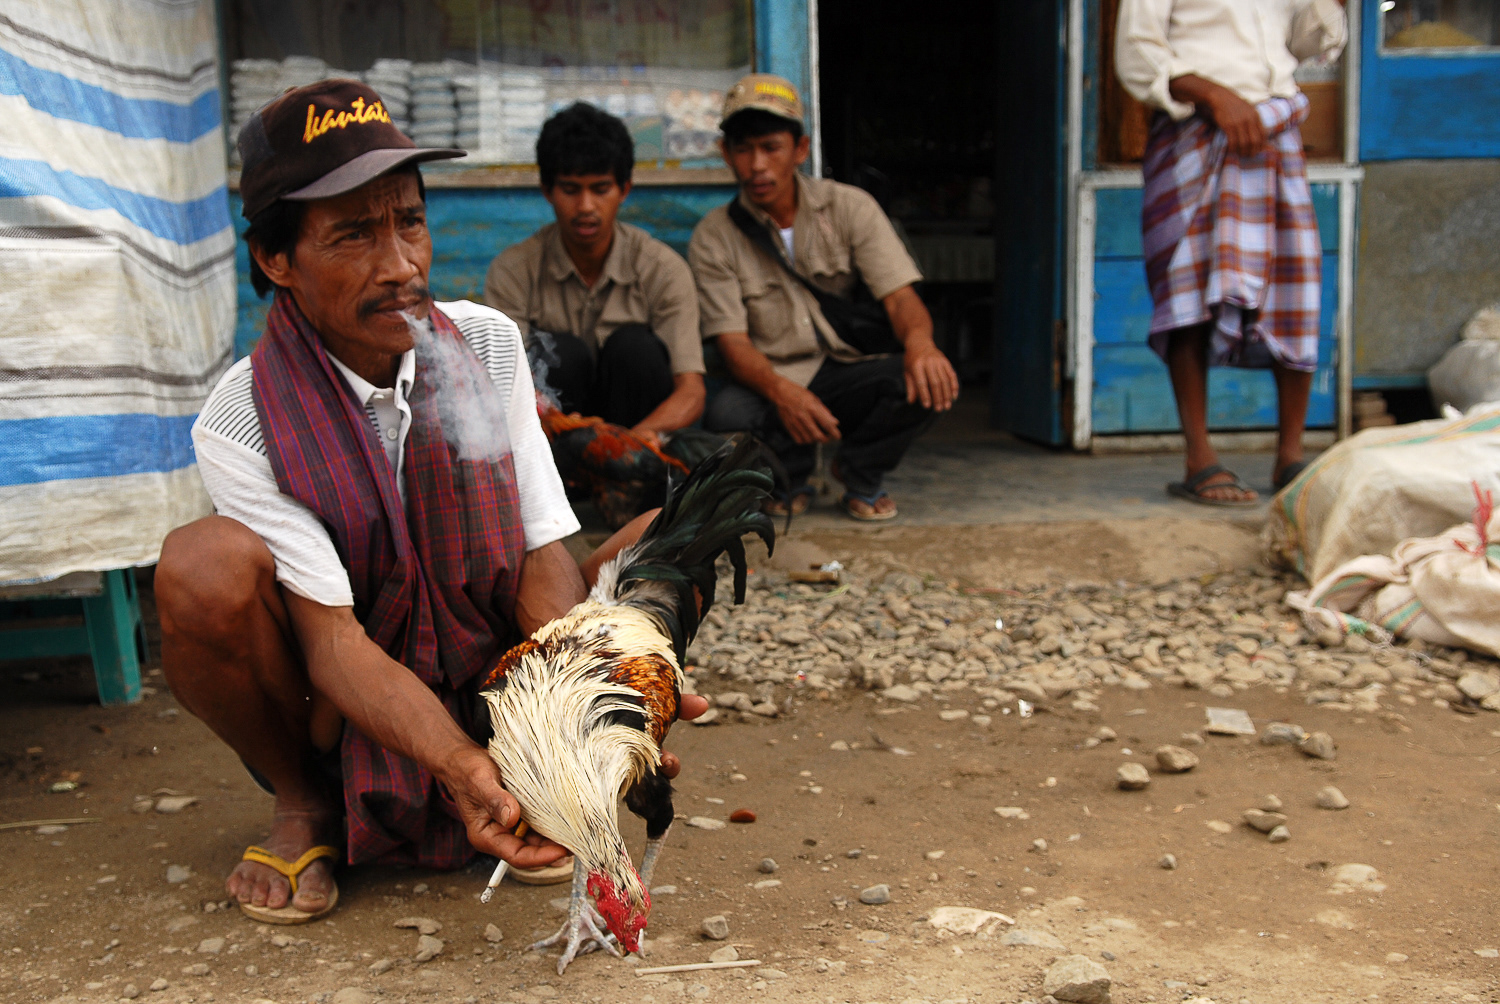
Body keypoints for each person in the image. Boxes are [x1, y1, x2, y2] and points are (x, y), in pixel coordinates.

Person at [156, 80, 705, 924]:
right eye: (353, 234)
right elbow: (332, 641)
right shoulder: (242, 420)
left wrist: (588, 711)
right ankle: (306, 802)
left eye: (409, 222)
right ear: (275, 259)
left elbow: (538, 550)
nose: (401, 264)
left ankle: (534, 766)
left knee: (675, 532)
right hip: (342, 705)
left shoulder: (485, 342)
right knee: (201, 566)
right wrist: (453, 761)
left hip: (492, 675)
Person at [689, 74, 959, 521]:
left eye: (771, 148)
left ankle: (858, 471)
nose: (757, 165)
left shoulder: (850, 207)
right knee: (728, 412)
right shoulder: (714, 235)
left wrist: (921, 344)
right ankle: (792, 476)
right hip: (772, 375)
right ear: (726, 154)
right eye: (744, 149)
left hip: (844, 368)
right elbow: (733, 343)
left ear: (800, 149)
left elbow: (900, 298)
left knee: (925, 379)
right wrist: (784, 393)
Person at [1116, 0, 1346, 505]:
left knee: (1294, 288)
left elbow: (1307, 42)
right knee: (1190, 287)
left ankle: (1290, 455)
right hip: (1196, 132)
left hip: (1275, 131)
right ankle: (1199, 458)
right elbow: (1136, 52)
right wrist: (1215, 96)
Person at [485, 102, 705, 446]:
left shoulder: (662, 269)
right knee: (559, 355)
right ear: (547, 190)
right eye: (571, 190)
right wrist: (555, 423)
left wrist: (633, 443)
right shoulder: (513, 272)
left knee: (635, 350)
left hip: (637, 441)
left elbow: (691, 391)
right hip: (552, 442)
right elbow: (500, 387)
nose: (586, 206)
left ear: (624, 189)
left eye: (600, 189)